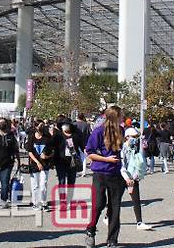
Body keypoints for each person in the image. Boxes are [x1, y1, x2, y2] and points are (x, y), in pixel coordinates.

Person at [84, 105, 125, 248]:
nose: (123, 118)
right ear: (115, 117)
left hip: (116, 174)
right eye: (121, 115)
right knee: (98, 204)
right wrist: (106, 159)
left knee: (115, 207)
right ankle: (90, 230)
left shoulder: (121, 130)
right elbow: (89, 152)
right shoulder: (98, 131)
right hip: (100, 173)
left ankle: (112, 239)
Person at [117, 127, 152, 230]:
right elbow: (121, 165)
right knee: (116, 199)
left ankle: (139, 222)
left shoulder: (135, 148)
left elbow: (138, 162)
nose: (135, 139)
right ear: (127, 137)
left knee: (136, 200)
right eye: (133, 137)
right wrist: (126, 177)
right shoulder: (122, 148)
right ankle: (108, 216)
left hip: (133, 177)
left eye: (136, 137)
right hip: (122, 177)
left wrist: (138, 175)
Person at [52, 119, 83, 203]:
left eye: (66, 124)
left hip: (72, 162)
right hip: (60, 162)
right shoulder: (58, 135)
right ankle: (62, 201)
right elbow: (51, 146)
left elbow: (82, 146)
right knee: (61, 181)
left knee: (71, 182)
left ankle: (69, 200)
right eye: (63, 124)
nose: (65, 126)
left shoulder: (75, 136)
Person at [26, 120, 53, 210]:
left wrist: (47, 156)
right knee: (35, 185)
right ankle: (35, 203)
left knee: (43, 184)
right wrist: (37, 162)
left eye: (43, 125)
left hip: (45, 164)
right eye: (40, 125)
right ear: (36, 127)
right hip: (34, 164)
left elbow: (53, 151)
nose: (42, 127)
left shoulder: (47, 137)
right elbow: (29, 151)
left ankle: (44, 202)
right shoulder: (31, 137)